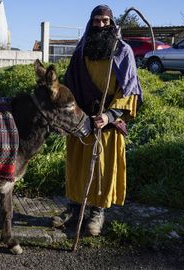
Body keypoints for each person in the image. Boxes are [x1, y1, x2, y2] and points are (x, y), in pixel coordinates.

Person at [52, 5, 143, 236]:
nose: (101, 25)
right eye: (96, 20)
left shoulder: (123, 52)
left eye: (105, 21)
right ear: (90, 22)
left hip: (107, 122)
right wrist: (73, 114)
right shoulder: (80, 51)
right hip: (81, 120)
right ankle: (73, 207)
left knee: (102, 168)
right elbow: (69, 86)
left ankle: (97, 212)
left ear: (112, 24)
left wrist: (109, 115)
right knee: (77, 165)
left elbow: (130, 91)